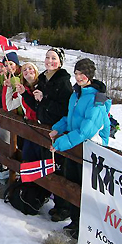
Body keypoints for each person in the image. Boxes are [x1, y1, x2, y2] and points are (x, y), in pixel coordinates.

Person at [49, 58, 111, 239]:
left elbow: (86, 130)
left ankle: (86, 227)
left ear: (90, 76)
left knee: (85, 187)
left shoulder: (96, 99)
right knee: (73, 183)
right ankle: (76, 222)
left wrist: (60, 143)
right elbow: (70, 118)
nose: (79, 77)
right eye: (76, 73)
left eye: (83, 74)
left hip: (90, 149)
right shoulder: (76, 94)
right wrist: (58, 128)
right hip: (75, 147)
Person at [20, 47, 73, 222]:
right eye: (47, 57)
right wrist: (26, 96)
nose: (50, 61)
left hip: (58, 129)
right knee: (46, 165)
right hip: (43, 129)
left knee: (59, 168)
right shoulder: (42, 79)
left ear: (60, 62)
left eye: (54, 58)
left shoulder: (63, 81)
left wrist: (44, 100)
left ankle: (63, 207)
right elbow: (37, 106)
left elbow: (64, 109)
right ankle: (45, 196)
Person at [3, 62, 41, 162]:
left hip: (42, 130)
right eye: (24, 70)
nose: (27, 71)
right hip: (29, 128)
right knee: (27, 156)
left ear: (36, 71)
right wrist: (9, 88)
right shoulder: (23, 92)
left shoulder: (43, 86)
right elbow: (9, 106)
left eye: (30, 68)